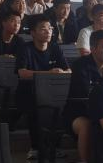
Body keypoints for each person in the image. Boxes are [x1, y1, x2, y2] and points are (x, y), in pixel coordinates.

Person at [14, 17, 69, 155]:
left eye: (50, 28)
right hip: (29, 91)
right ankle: (35, 147)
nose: (48, 31)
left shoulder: (55, 47)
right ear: (33, 33)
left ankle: (55, 146)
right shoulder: (25, 48)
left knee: (62, 107)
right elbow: (22, 73)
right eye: (43, 29)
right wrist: (48, 73)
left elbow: (68, 70)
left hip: (52, 91)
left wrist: (61, 72)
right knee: (35, 106)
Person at [66, 29, 103, 163]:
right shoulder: (80, 65)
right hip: (79, 112)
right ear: (92, 48)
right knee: (86, 126)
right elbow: (85, 93)